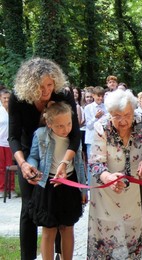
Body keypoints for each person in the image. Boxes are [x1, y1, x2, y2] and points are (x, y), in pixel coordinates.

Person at [8, 57, 81, 260]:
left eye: (49, 85)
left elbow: (75, 134)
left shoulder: (63, 95)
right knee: (29, 208)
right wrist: (23, 165)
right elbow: (13, 136)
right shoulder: (18, 99)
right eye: (40, 87)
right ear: (29, 86)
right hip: (29, 157)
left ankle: (59, 254)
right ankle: (28, 257)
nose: (46, 90)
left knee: (59, 211)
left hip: (60, 158)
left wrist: (65, 162)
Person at [87, 89, 142, 259]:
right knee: (106, 234)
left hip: (137, 187)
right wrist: (107, 177)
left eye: (127, 115)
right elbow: (95, 162)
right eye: (117, 116)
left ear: (133, 110)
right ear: (109, 113)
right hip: (107, 189)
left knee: (136, 230)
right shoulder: (102, 126)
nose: (123, 121)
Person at [27, 102, 87, 259]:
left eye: (68, 123)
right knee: (49, 230)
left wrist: (83, 189)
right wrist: (32, 168)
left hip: (70, 184)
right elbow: (33, 156)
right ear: (49, 123)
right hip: (47, 185)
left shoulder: (73, 137)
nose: (65, 129)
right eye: (60, 126)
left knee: (67, 228)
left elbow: (79, 163)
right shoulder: (40, 134)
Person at [0, 89, 15, 198]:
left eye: (8, 98)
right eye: (4, 97)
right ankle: (1, 189)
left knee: (10, 167)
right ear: (0, 98)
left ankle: (11, 189)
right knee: (0, 167)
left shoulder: (14, 111)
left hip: (10, 143)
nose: (6, 100)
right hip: (0, 142)